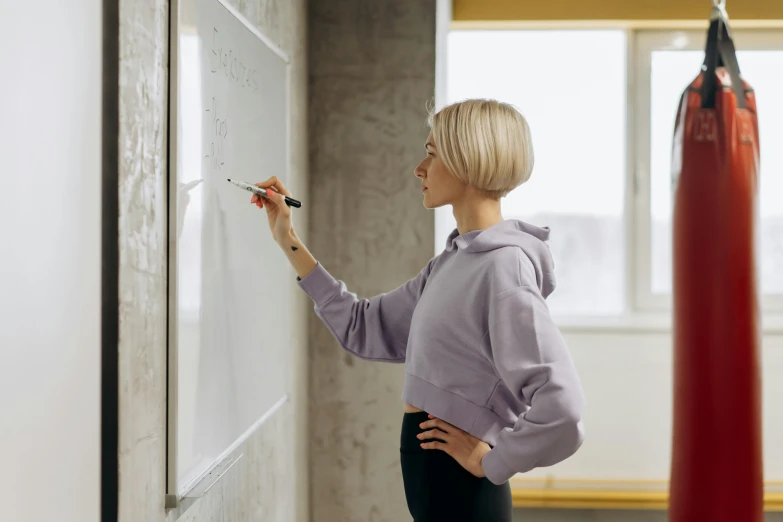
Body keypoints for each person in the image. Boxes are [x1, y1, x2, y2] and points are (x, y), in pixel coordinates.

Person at [251, 98, 585, 521]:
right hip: (437, 490)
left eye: (431, 153)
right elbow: (365, 326)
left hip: (464, 496)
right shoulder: (453, 262)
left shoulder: (504, 268)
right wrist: (287, 239)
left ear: (468, 160)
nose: (419, 168)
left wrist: (492, 462)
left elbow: (564, 410)